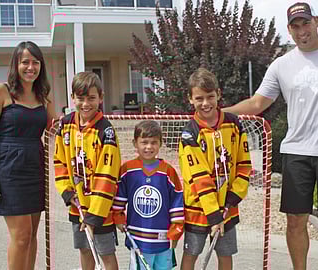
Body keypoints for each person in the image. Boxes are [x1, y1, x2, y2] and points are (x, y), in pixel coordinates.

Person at [223, 2, 318, 270]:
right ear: (289, 30)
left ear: (316, 21)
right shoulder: (282, 65)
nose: (302, 30)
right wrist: (218, 114)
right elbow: (258, 103)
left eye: (306, 23)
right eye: (295, 26)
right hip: (297, 152)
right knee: (295, 220)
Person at [0, 41, 57, 270]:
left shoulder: (43, 96)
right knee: (21, 235)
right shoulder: (1, 91)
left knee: (32, 234)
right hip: (9, 168)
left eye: (35, 62)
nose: (30, 67)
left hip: (36, 166)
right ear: (16, 64)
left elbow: (56, 129)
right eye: (25, 62)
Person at [178, 68, 252, 270]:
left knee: (225, 255)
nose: (205, 103)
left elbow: (244, 165)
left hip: (227, 207)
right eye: (199, 98)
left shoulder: (234, 124)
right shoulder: (189, 133)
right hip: (199, 209)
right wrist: (213, 216)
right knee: (191, 254)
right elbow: (199, 178)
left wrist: (233, 197)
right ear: (190, 99)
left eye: (210, 97)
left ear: (218, 94)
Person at [54, 71, 121, 270]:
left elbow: (107, 175)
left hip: (100, 209)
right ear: (72, 98)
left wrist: (94, 216)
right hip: (77, 205)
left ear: (101, 97)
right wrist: (67, 191)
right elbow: (60, 161)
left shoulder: (105, 130)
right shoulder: (65, 125)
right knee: (85, 249)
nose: (86, 104)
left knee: (105, 253)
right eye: (80, 98)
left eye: (91, 98)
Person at [112, 120, 184, 270]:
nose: (149, 147)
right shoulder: (127, 169)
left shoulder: (168, 171)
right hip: (138, 238)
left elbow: (176, 200)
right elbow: (120, 196)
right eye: (144, 142)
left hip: (163, 238)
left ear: (161, 143)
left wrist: (176, 228)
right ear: (135, 143)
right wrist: (118, 217)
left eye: (154, 142)